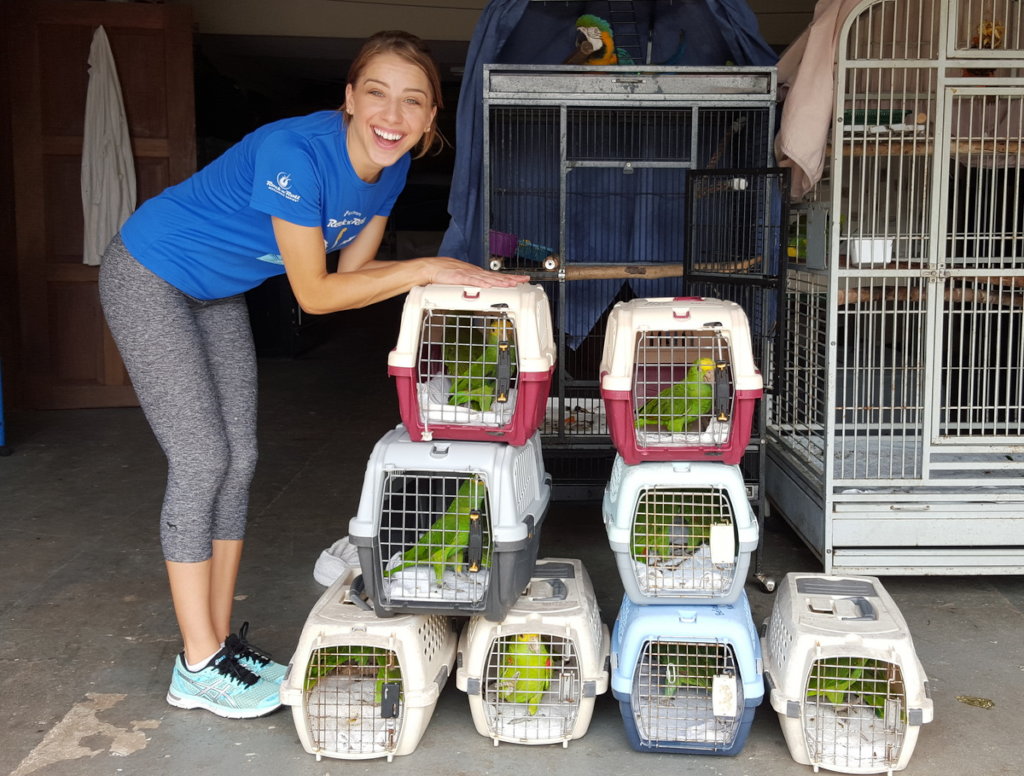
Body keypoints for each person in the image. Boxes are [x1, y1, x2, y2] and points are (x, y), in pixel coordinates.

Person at [98, 30, 528, 720]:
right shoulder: (293, 153)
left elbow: (354, 275)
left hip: (215, 292)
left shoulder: (389, 169)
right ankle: (198, 662)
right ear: (350, 98)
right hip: (150, 273)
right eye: (378, 94)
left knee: (239, 458)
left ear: (430, 118)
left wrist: (443, 276)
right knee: (202, 459)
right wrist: (425, 267)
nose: (393, 115)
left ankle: (218, 649)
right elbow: (316, 295)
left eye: (412, 102)